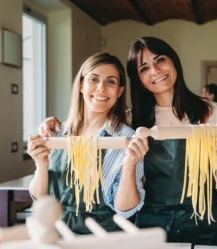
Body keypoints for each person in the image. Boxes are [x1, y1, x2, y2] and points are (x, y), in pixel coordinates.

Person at [39, 37, 217, 245]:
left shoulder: (210, 113)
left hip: (205, 221)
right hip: (151, 225)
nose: (155, 71)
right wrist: (57, 125)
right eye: (144, 68)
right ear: (139, 81)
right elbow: (92, 123)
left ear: (174, 62)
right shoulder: (133, 120)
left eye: (160, 60)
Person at [28, 52, 147, 234]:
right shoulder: (57, 134)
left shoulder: (127, 140)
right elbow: (40, 198)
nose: (101, 88)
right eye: (94, 79)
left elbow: (125, 210)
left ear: (120, 91)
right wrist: (41, 166)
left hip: (104, 237)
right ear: (82, 85)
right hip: (56, 233)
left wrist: (130, 164)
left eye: (110, 82)